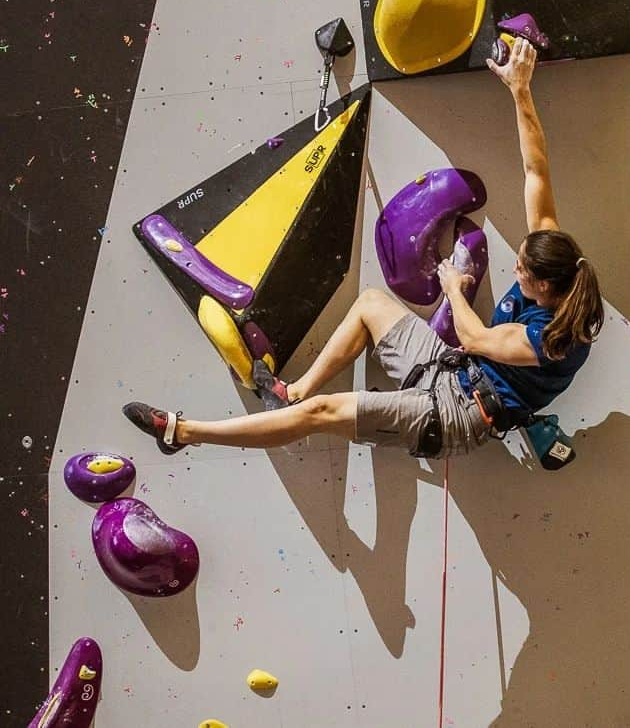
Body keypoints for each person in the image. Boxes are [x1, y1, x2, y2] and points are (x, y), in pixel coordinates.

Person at [122, 37, 605, 459]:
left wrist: (453, 288)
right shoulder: (555, 257)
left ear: (543, 285)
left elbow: (477, 338)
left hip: (460, 415)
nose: (516, 266)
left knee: (324, 414)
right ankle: (293, 391)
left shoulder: (553, 340)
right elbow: (536, 170)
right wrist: (520, 91)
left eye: (520, 269)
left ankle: (184, 432)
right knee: (372, 305)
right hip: (454, 372)